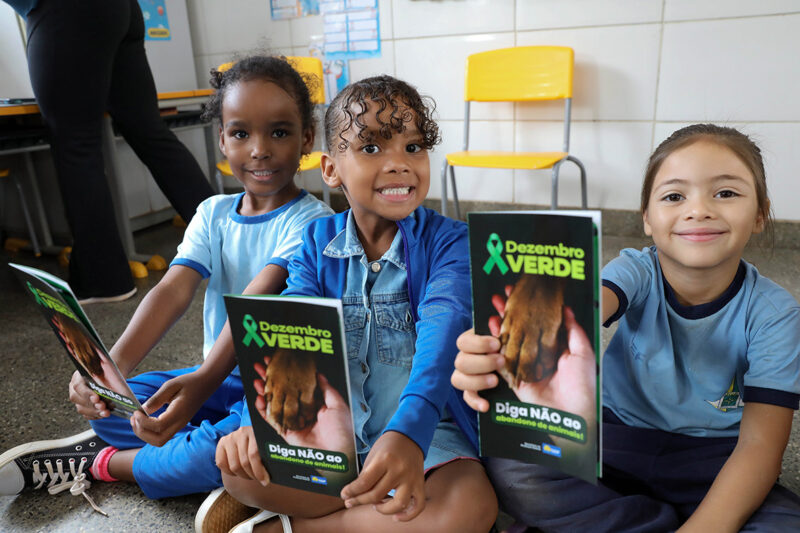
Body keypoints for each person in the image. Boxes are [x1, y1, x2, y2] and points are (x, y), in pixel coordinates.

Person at [0, 55, 333, 513]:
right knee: (119, 410)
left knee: (202, 456)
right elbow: (172, 290)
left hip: (271, 393)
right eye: (240, 133)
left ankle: (104, 463)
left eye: (279, 132)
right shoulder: (213, 213)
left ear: (307, 140)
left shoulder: (315, 224)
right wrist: (107, 372)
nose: (259, 149)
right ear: (222, 139)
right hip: (213, 380)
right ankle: (198, 450)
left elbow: (256, 304)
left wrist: (199, 383)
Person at [451, 124, 800, 532]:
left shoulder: (777, 313)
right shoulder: (636, 268)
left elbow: (759, 448)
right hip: (615, 439)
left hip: (714, 458)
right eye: (674, 196)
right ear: (647, 219)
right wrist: (505, 347)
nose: (699, 209)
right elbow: (587, 308)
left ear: (760, 214)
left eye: (726, 192)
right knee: (516, 467)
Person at [214, 75, 498, 532]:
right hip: (328, 436)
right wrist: (257, 422)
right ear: (330, 169)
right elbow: (287, 338)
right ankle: (372, 515)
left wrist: (407, 434)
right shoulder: (314, 242)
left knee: (472, 506)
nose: (399, 164)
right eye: (372, 149)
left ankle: (288, 527)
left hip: (426, 437)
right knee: (236, 469)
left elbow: (442, 336)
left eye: (414, 147)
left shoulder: (452, 243)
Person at [3, 0, 215, 302]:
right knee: (151, 134)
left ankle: (104, 279)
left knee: (76, 145)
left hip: (65, 11)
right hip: (119, 9)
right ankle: (231, 245)